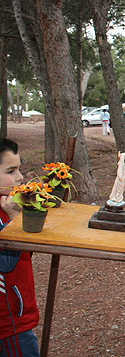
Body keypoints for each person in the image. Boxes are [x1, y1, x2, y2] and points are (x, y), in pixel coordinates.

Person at [0, 138, 40, 357]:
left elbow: (25, 252)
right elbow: (5, 262)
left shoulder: (4, 203)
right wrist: (15, 219)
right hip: (9, 322)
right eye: (11, 171)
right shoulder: (7, 210)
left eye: (19, 169)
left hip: (15, 314)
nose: (20, 177)